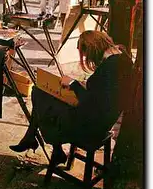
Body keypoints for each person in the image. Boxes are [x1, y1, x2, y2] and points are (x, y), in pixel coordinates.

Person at [9, 31, 134, 165]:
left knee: (40, 95)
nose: (88, 60)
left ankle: (38, 140)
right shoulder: (122, 57)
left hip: (91, 125)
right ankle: (36, 139)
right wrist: (82, 85)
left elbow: (90, 103)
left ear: (92, 49)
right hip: (102, 119)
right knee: (42, 94)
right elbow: (103, 94)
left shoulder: (108, 68)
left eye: (87, 56)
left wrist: (73, 84)